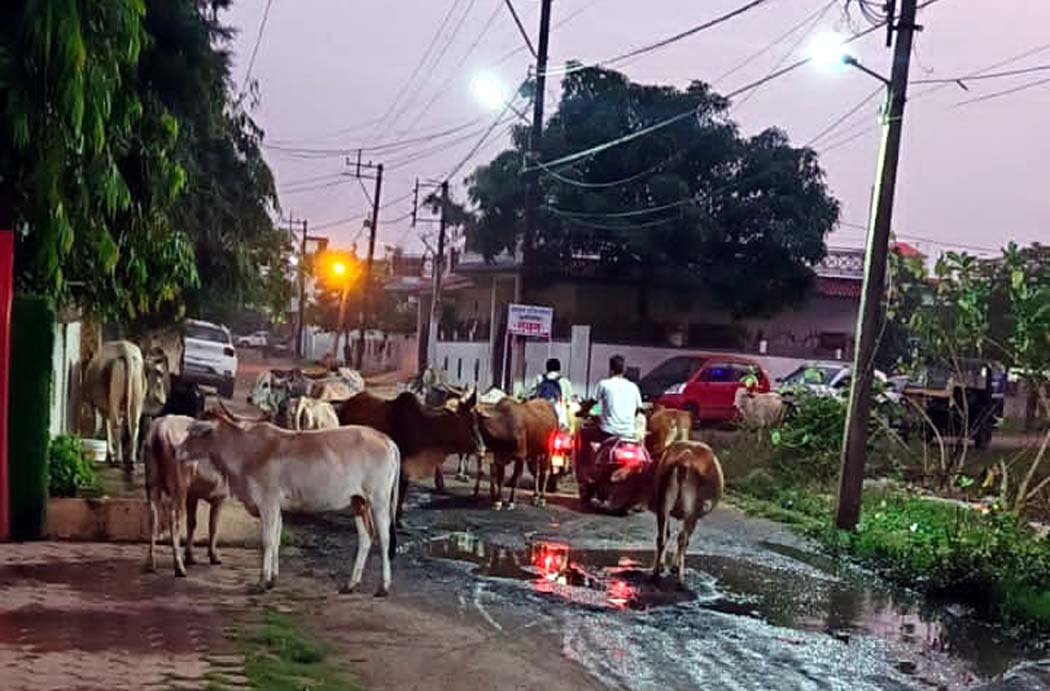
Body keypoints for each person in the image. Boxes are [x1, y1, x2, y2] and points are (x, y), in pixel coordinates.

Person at [581, 354, 643, 470]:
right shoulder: (633, 387)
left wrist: (582, 412)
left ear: (611, 370)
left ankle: (585, 470)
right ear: (624, 370)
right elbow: (638, 410)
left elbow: (592, 402)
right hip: (628, 434)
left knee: (584, 434)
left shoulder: (604, 384)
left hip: (607, 432)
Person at [534, 358, 573, 430]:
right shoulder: (565, 381)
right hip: (558, 413)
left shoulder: (539, 378)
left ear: (547, 368)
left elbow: (526, 393)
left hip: (540, 410)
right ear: (559, 368)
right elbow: (569, 401)